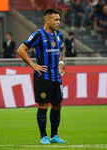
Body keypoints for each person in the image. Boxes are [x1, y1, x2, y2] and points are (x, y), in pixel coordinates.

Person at [17, 8, 67, 145]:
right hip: (43, 76)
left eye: (59, 19)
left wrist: (61, 62)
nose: (58, 22)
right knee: (43, 105)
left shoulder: (59, 35)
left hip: (56, 76)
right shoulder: (38, 35)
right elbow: (21, 50)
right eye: (56, 19)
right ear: (47, 20)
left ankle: (54, 135)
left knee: (58, 104)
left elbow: (62, 50)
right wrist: (33, 65)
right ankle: (43, 136)